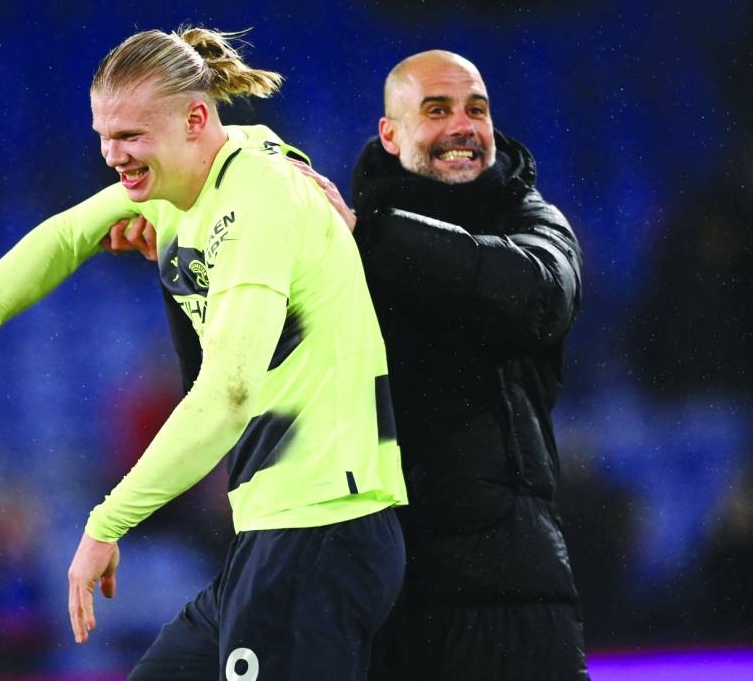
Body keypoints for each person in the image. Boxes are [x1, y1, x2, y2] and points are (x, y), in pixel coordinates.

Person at [0, 26, 408, 680]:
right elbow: (64, 237)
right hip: (275, 532)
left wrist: (108, 522)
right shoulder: (192, 180)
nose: (113, 155)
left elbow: (229, 394)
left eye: (130, 135)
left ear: (195, 120)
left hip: (321, 530)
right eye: (104, 135)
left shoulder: (258, 199)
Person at [113, 48, 588, 679]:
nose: (462, 125)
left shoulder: (526, 221)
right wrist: (189, 258)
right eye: (436, 110)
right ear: (390, 134)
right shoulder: (332, 238)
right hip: (366, 575)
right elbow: (232, 382)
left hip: (503, 594)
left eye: (476, 109)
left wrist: (370, 235)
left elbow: (537, 298)